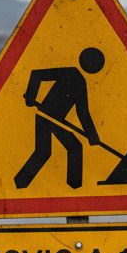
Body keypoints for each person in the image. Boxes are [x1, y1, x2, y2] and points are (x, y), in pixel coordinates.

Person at [14, 48, 104, 190]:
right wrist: (31, 97)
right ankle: (19, 184)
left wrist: (92, 137)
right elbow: (36, 74)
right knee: (46, 152)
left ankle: (73, 188)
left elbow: (82, 112)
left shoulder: (81, 81)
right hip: (45, 117)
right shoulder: (70, 72)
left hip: (56, 121)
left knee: (69, 148)